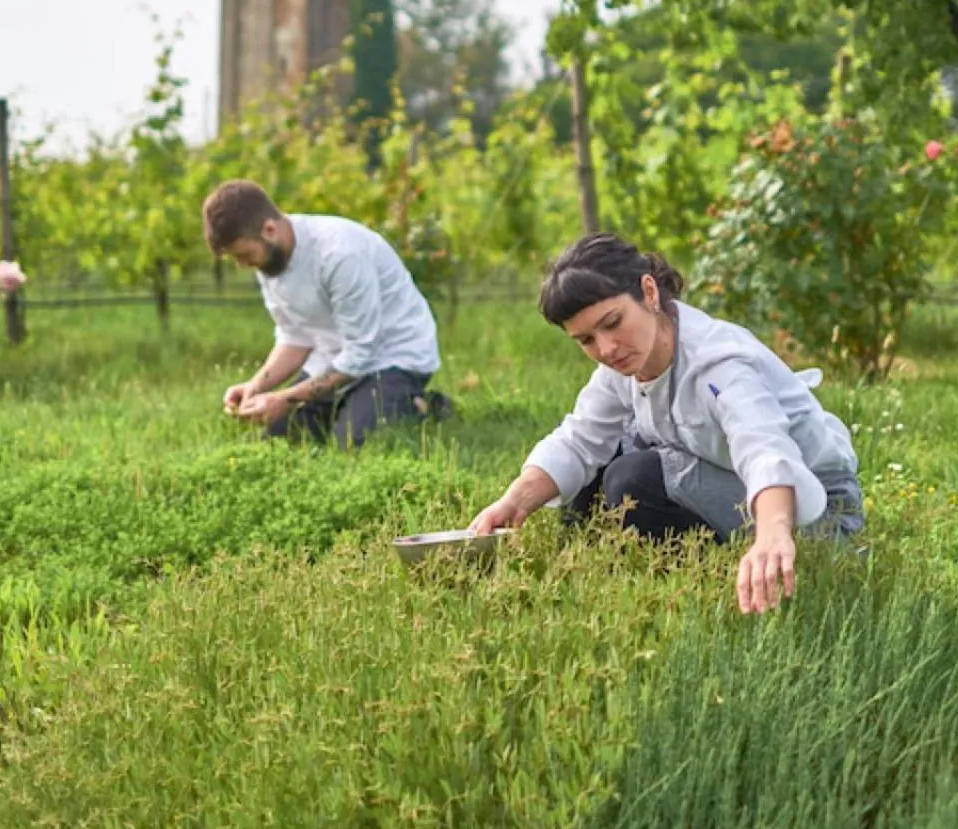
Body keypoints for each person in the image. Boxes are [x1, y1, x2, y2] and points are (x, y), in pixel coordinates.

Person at [469, 233, 862, 616]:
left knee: (633, 479)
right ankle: (581, 579)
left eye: (613, 322)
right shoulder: (625, 365)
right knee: (602, 458)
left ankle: (700, 582)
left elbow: (764, 448)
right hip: (724, 479)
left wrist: (772, 533)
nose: (606, 349)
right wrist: (513, 502)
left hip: (814, 510)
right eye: (586, 340)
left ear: (649, 292)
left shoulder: (718, 363)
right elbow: (579, 439)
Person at [202, 179, 445, 448]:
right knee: (280, 440)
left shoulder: (339, 254)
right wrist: (256, 386)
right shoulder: (270, 260)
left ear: (269, 229)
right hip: (333, 358)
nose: (243, 264)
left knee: (352, 442)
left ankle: (427, 406)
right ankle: (352, 405)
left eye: (244, 254)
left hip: (391, 357)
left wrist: (286, 398)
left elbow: (361, 354)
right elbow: (294, 337)